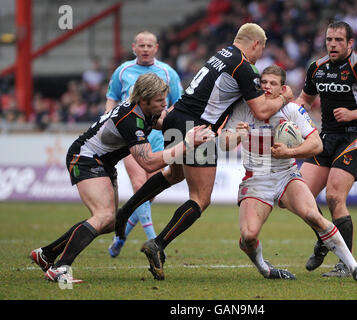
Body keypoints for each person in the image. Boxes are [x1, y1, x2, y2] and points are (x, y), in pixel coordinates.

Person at [114, 23, 294, 280]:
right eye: (261, 49)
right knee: (201, 198)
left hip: (177, 118)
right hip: (198, 129)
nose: (259, 56)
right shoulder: (243, 66)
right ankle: (159, 243)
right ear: (256, 44)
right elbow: (262, 111)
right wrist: (284, 98)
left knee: (173, 174)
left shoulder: (222, 54)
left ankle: (126, 210)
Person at [29, 73, 212, 283]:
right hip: (85, 159)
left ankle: (46, 254)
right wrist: (188, 143)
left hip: (103, 162)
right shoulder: (130, 119)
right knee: (104, 216)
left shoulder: (147, 110)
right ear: (144, 100)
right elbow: (149, 163)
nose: (165, 104)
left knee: (108, 222)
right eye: (160, 100)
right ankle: (60, 268)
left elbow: (168, 120)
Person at [220, 65, 357, 282]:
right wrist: (236, 136)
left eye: (273, 83)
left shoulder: (292, 110)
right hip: (256, 177)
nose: (267, 87)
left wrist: (290, 152)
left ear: (282, 88)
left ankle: (356, 268)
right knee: (249, 236)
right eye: (264, 82)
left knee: (314, 216)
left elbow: (316, 144)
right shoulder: (244, 107)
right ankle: (266, 270)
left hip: (286, 174)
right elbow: (225, 144)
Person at [294, 21, 357, 277]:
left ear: (350, 43)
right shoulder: (316, 68)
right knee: (299, 194)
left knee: (334, 197)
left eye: (339, 40)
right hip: (325, 137)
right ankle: (324, 237)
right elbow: (304, 100)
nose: (333, 45)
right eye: (329, 40)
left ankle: (343, 264)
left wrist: (355, 114)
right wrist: (292, 120)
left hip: (355, 137)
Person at [105, 31, 183, 258]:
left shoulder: (168, 73)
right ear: (134, 47)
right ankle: (153, 242)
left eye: (150, 45)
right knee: (139, 186)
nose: (146, 49)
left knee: (148, 194)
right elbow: (111, 96)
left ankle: (121, 235)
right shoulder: (123, 71)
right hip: (130, 136)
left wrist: (167, 123)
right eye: (142, 45)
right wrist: (110, 116)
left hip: (158, 137)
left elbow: (178, 103)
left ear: (157, 48)